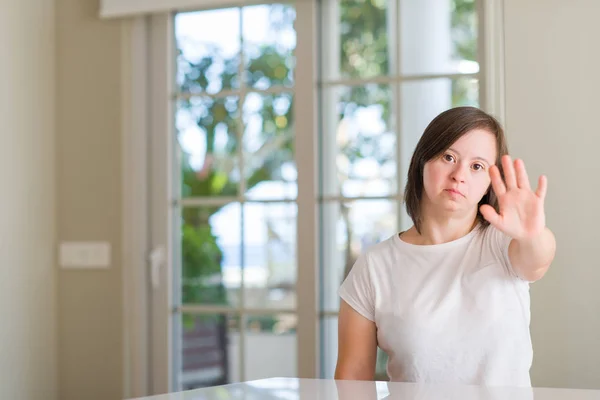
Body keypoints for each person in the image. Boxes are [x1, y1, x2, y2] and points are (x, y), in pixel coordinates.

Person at [334, 106, 556, 387]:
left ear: (490, 180)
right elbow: (352, 377)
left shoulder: (503, 243)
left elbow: (538, 260)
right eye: (448, 157)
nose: (459, 175)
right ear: (422, 161)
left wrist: (532, 234)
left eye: (477, 166)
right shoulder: (375, 266)